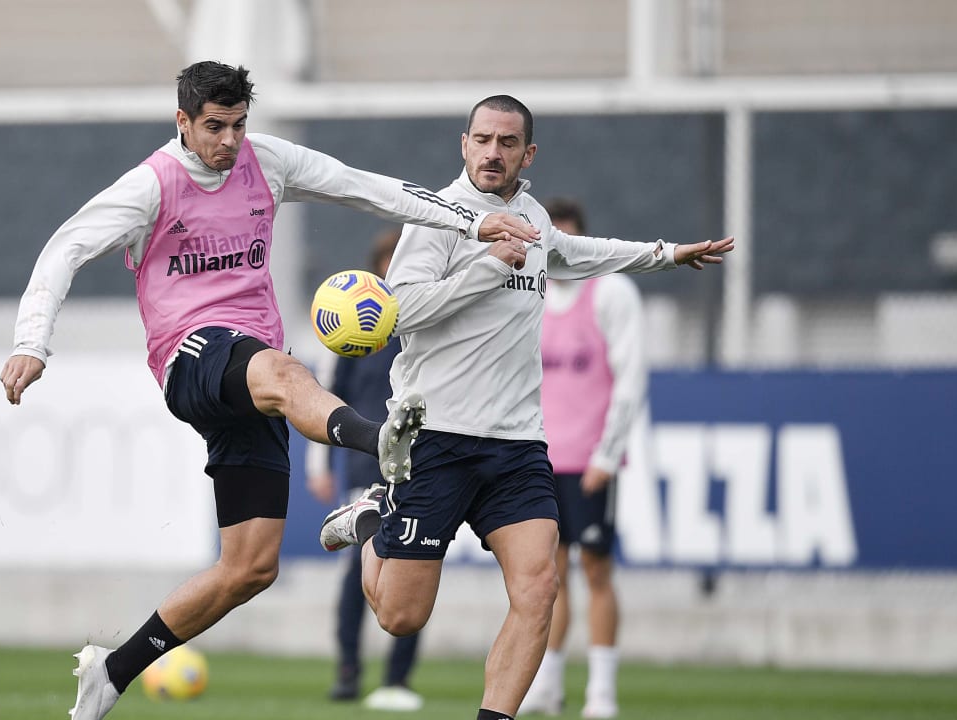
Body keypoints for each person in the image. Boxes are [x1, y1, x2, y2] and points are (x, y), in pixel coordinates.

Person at [0, 62, 540, 720]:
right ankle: (379, 442)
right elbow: (65, 249)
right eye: (214, 127)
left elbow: (367, 190)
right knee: (285, 375)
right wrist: (32, 342)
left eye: (239, 125)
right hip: (191, 356)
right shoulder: (151, 185)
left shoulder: (268, 161)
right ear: (184, 123)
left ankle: (112, 674)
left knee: (251, 567)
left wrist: (469, 223)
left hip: (249, 374)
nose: (229, 141)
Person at [318, 95, 733, 720]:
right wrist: (487, 267)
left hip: (516, 445)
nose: (493, 152)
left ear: (527, 152)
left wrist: (665, 254)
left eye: (506, 142)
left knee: (539, 587)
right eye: (482, 139)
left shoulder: (534, 217)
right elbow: (398, 313)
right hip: (436, 438)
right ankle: (374, 518)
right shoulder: (435, 217)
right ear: (464, 143)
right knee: (401, 617)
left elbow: (580, 255)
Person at [518, 198, 644, 719]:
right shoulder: (529, 294)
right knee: (548, 574)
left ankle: (602, 692)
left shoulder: (612, 293)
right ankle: (548, 686)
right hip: (538, 460)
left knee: (596, 569)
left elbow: (630, 378)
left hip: (589, 461)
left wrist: (607, 455)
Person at [306, 228, 424, 712]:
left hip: (419, 464)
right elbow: (326, 399)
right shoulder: (353, 329)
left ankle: (397, 679)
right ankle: (349, 670)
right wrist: (319, 462)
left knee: (415, 566)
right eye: (386, 263)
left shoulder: (422, 322)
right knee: (358, 572)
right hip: (363, 465)